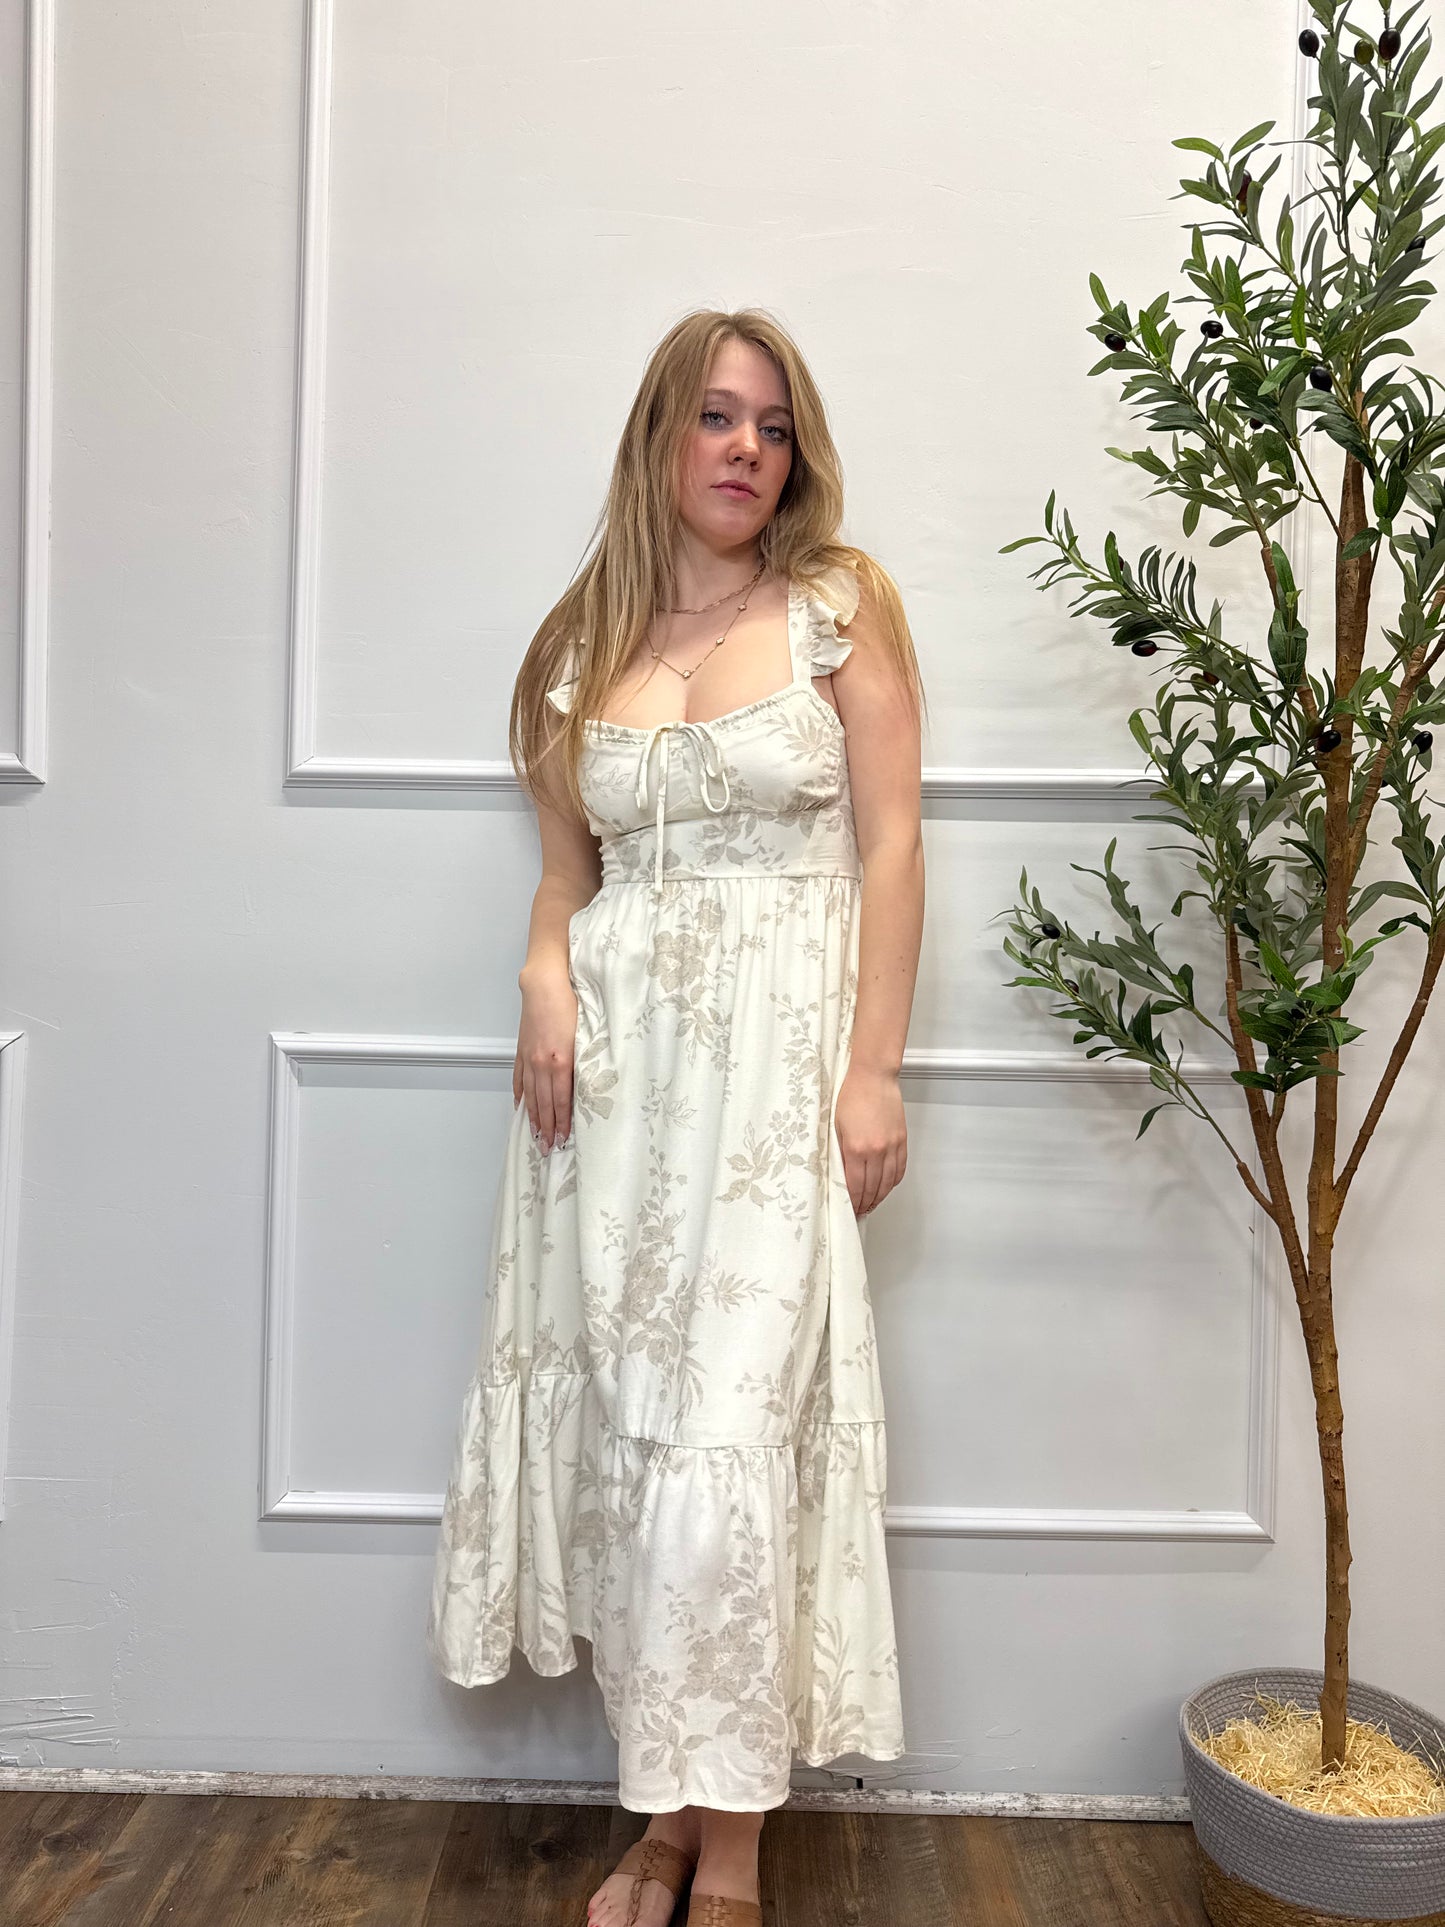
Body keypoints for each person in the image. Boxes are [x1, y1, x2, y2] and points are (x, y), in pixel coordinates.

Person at [426, 306, 926, 1927]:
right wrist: (540, 975)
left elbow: (892, 850)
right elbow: (567, 876)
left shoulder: (844, 612)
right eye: (713, 418)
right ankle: (661, 1807)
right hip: (610, 1102)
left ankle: (732, 1846)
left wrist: (870, 1071)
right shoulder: (585, 639)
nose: (742, 450)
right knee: (634, 1444)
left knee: (728, 1430)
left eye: (770, 426)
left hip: (771, 1083)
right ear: (658, 436)